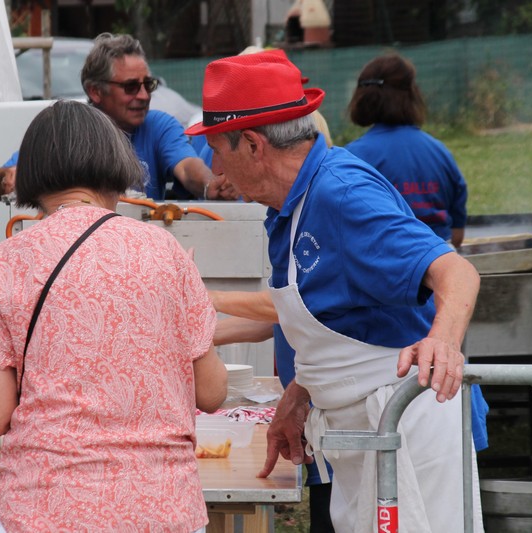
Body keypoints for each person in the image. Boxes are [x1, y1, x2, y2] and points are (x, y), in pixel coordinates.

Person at [186, 50, 483, 531]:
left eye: (217, 151)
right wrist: (301, 393)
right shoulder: (288, 206)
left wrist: (444, 342)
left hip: (405, 429)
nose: (215, 171)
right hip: (360, 434)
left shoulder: (342, 195)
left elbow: (456, 271)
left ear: (253, 145)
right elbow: (338, 315)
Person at [0, 100, 228, 532]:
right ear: (115, 163)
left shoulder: (5, 262)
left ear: (32, 173)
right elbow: (212, 392)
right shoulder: (166, 252)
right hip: (160, 510)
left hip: (43, 509)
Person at [0, 32, 238, 202]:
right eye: (130, 87)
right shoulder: (62, 131)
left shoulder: (159, 126)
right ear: (95, 91)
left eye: (147, 84)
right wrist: (9, 177)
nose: (143, 95)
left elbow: (187, 167)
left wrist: (208, 184)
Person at [345, 54, 468, 247]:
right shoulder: (440, 152)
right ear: (411, 94)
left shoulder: (351, 158)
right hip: (441, 264)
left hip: (384, 266)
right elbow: (457, 236)